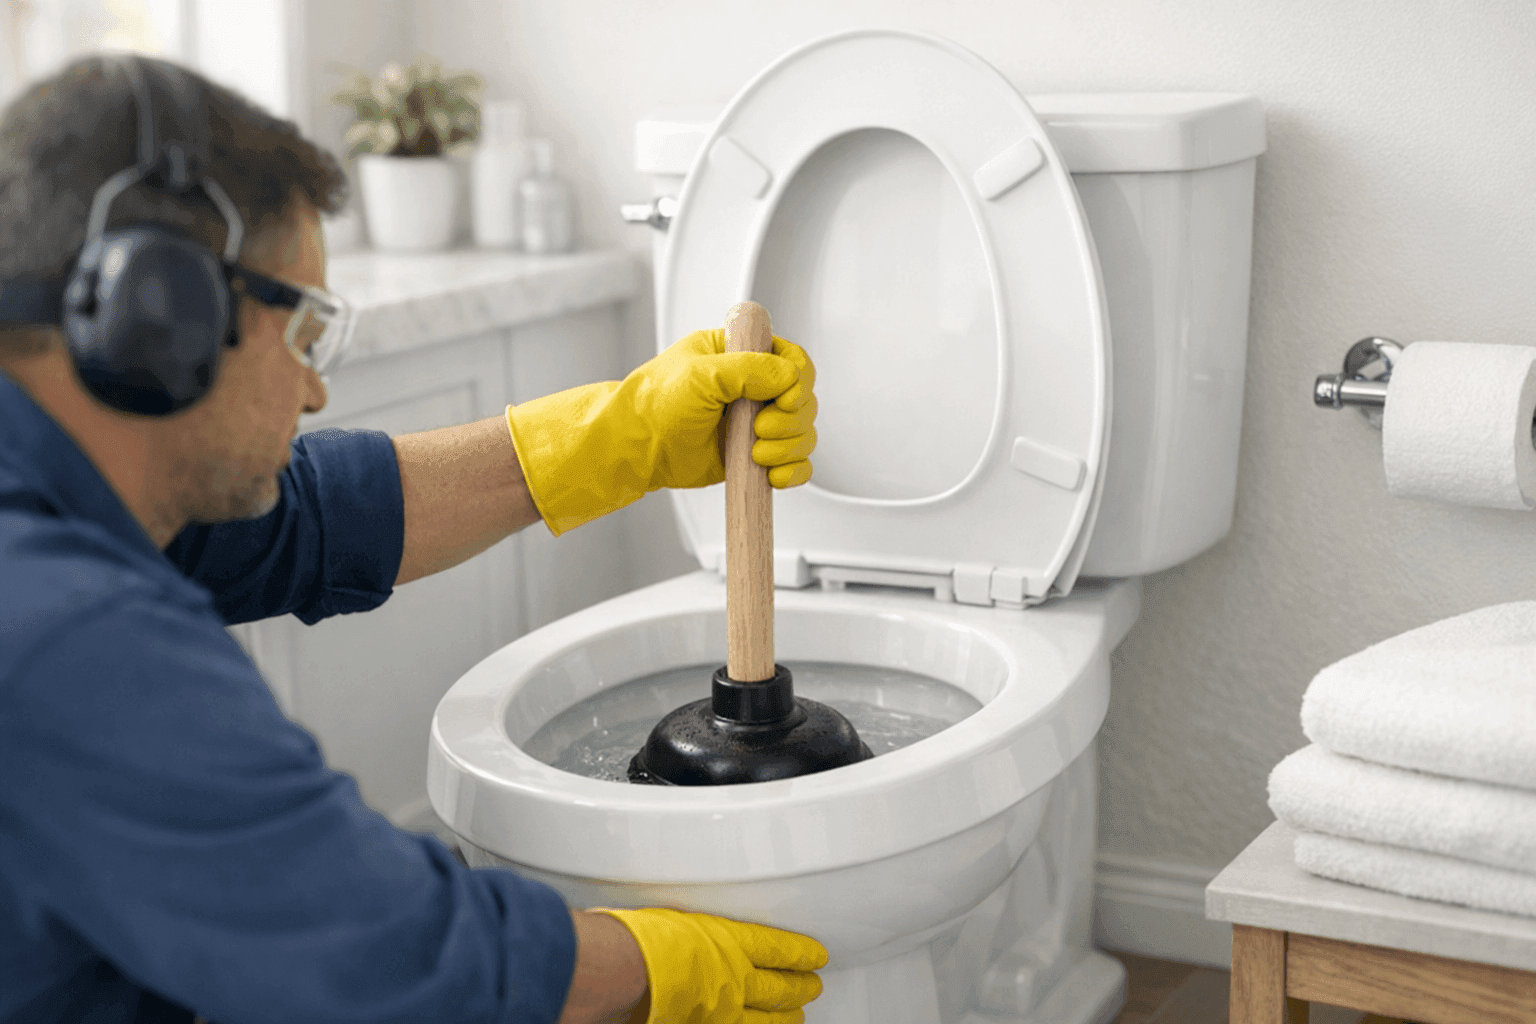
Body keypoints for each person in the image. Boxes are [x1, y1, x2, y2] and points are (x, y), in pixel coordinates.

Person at [0, 54, 826, 1024]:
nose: (315, 390)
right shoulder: (64, 633)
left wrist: (626, 432)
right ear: (163, 317)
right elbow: (386, 954)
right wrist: (651, 963)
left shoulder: (61, 489)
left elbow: (303, 517)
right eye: (302, 335)